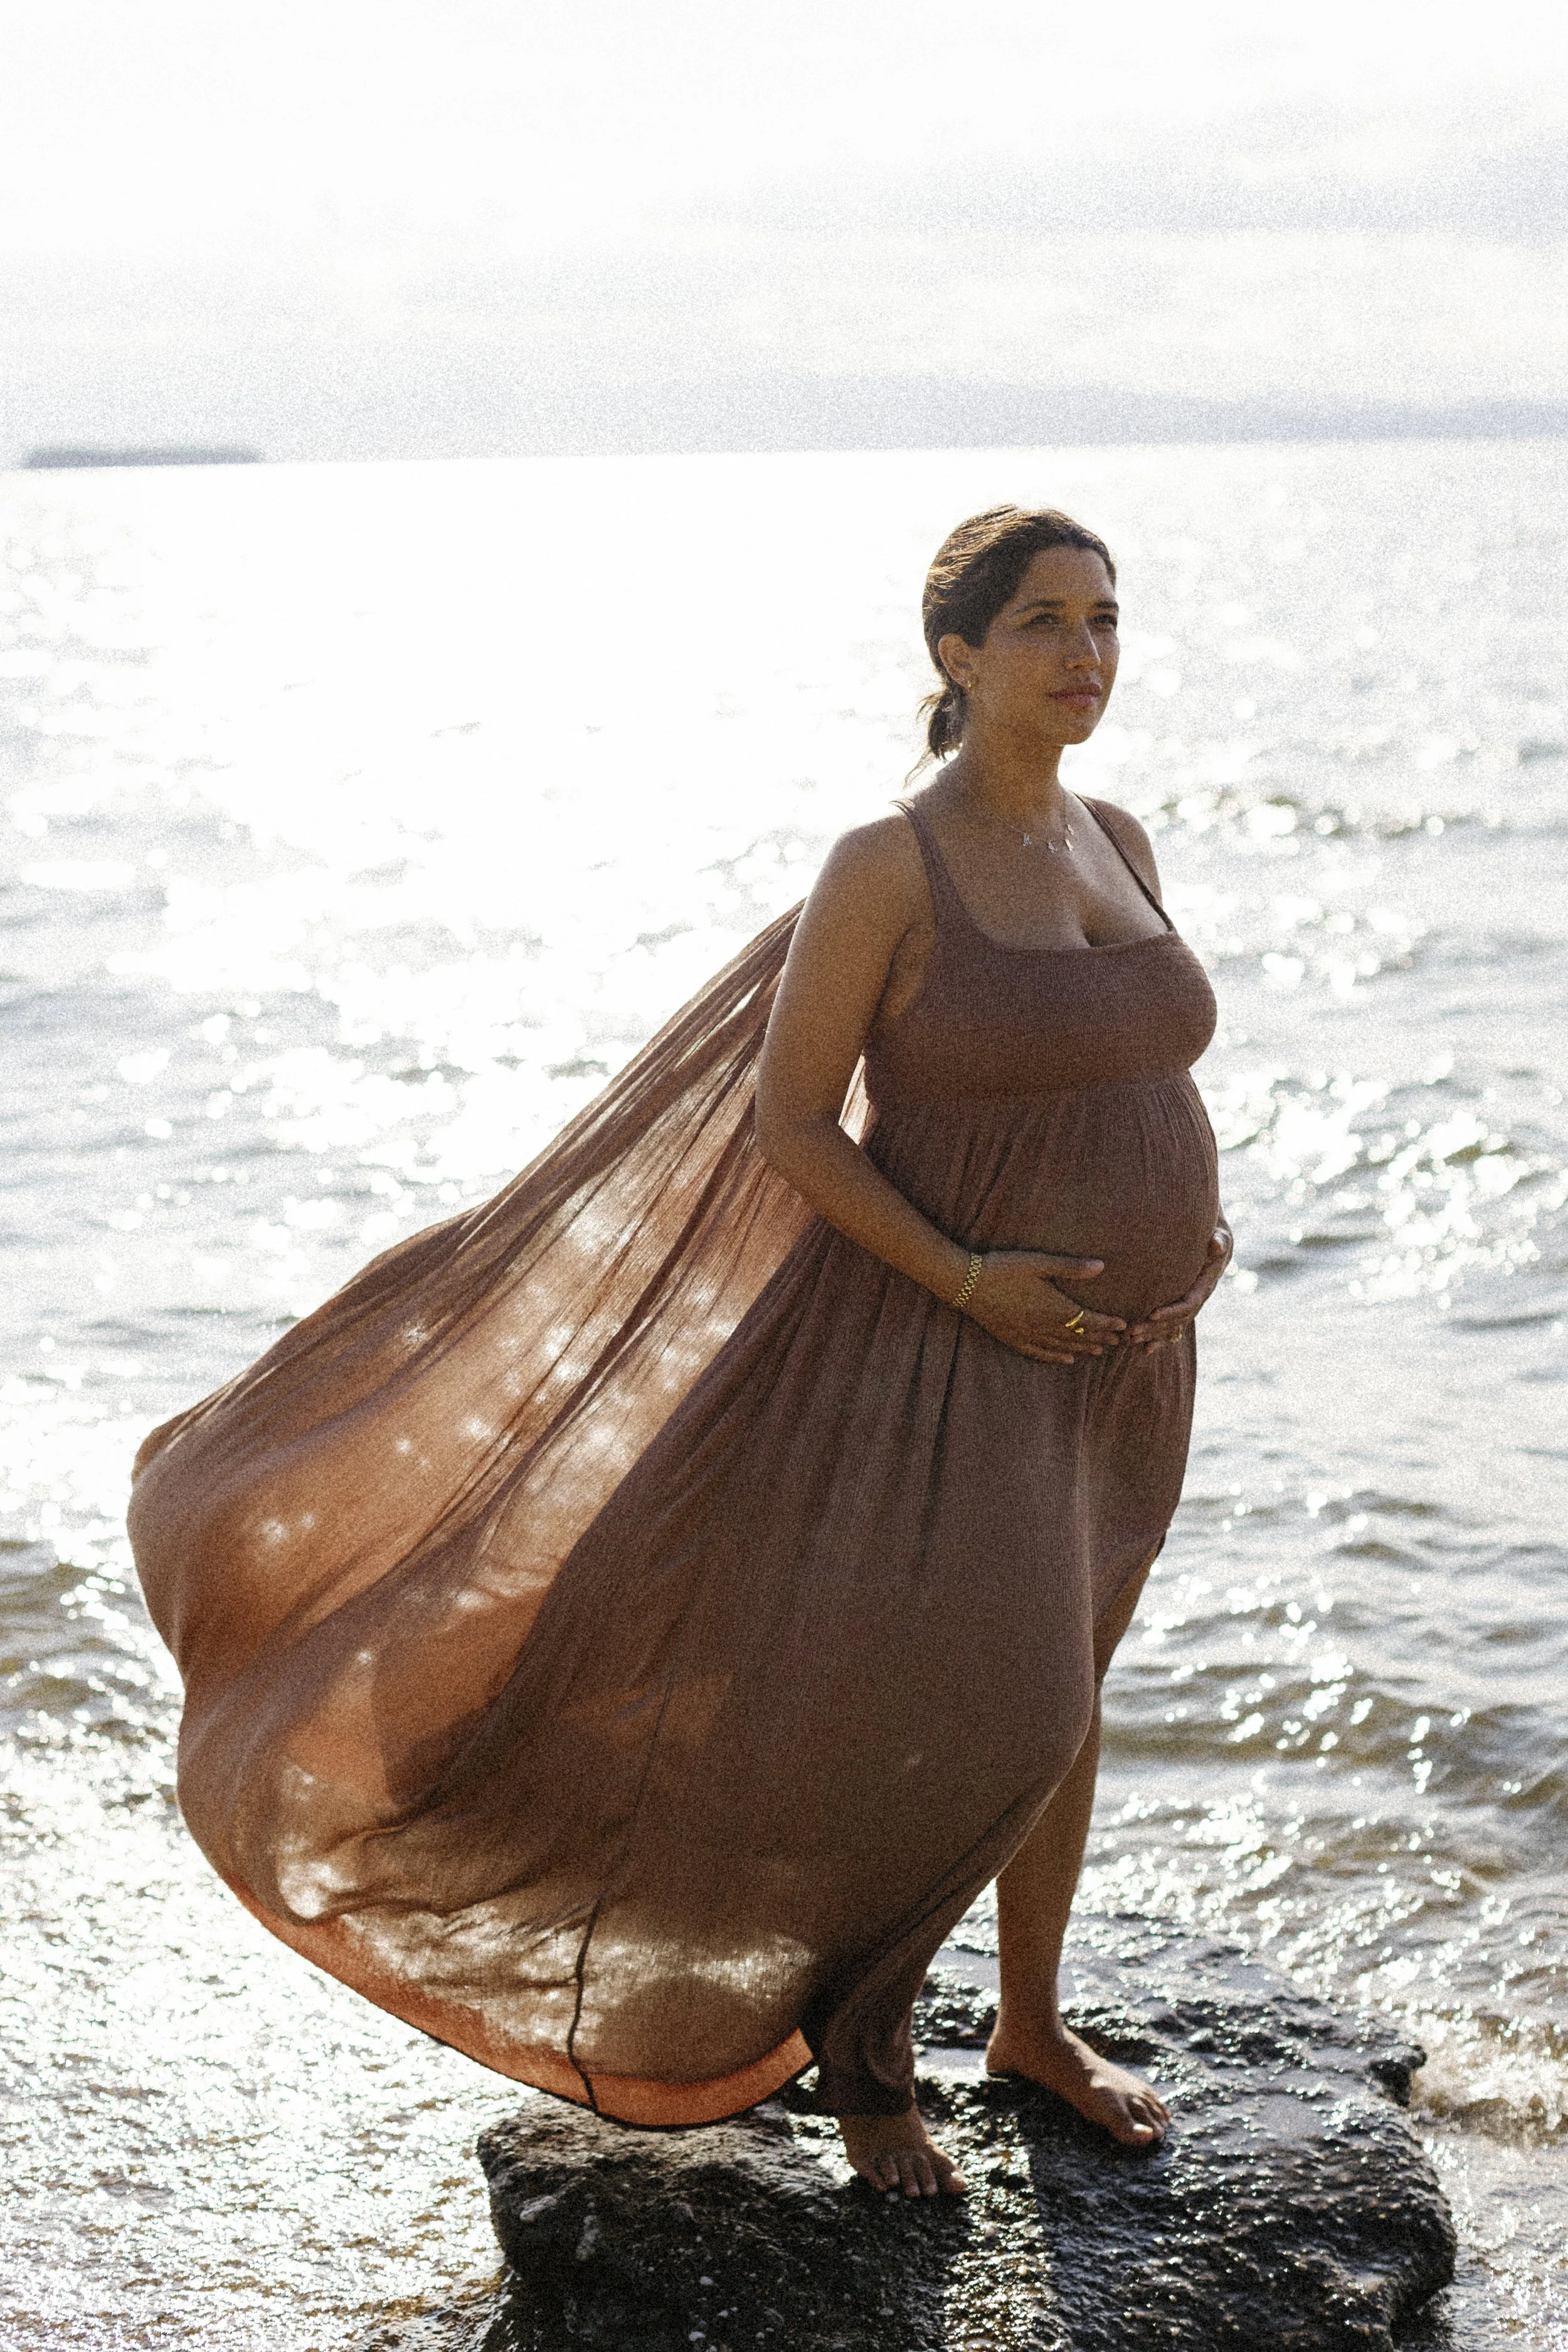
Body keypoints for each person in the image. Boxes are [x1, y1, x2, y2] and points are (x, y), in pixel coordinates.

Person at [128, 505, 1229, 2210]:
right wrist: (965, 1277)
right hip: (952, 1345)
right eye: (1042, 625)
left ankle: (1029, 2022)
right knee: (997, 1704)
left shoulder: (1117, 835)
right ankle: (868, 2068)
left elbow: (1130, 1061)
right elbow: (794, 1125)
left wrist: (1191, 1221)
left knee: (1069, 1681)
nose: (1084, 655)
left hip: (1129, 1352)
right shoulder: (889, 864)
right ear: (955, 654)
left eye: (1103, 619)